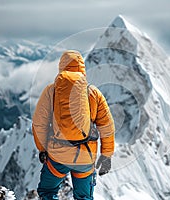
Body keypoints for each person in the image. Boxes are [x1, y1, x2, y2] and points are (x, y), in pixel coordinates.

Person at [32, 50, 115, 200]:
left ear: (61, 68)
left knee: (47, 192)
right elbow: (107, 126)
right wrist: (106, 155)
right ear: (82, 69)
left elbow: (39, 123)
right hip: (86, 157)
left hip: (58, 156)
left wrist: (42, 149)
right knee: (83, 197)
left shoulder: (51, 91)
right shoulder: (93, 93)